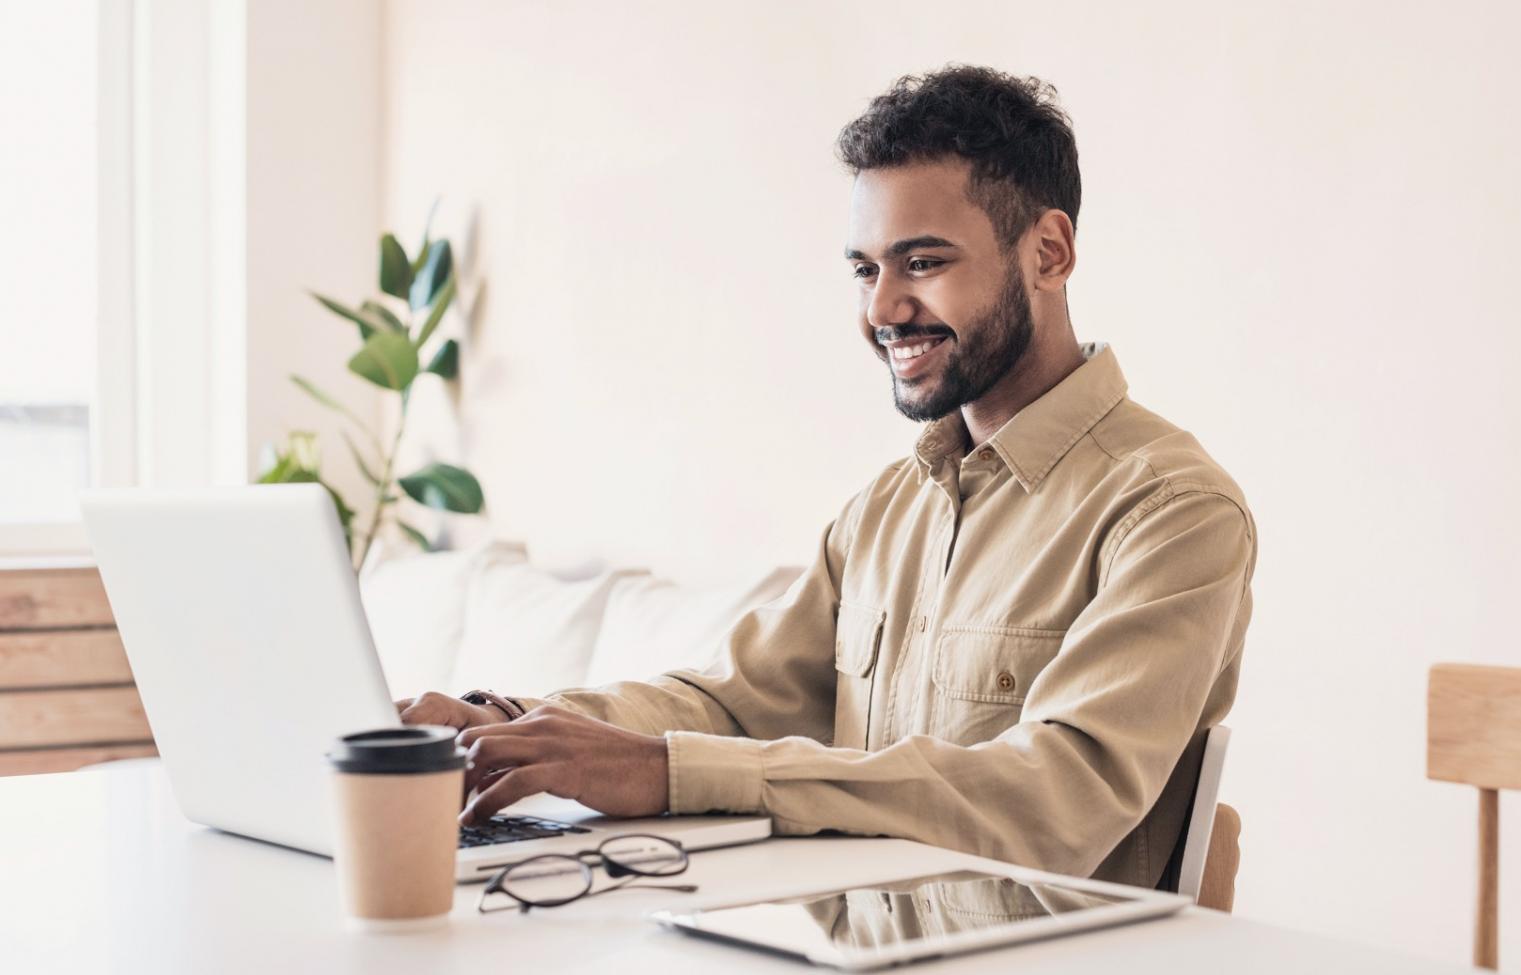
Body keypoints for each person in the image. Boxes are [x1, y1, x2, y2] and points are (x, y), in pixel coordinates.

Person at [397, 64, 1256, 890]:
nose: (881, 309)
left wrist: (669, 772)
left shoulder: (1172, 511)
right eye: (864, 269)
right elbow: (736, 703)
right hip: (836, 947)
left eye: (922, 263)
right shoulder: (887, 508)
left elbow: (1053, 798)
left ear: (1049, 251)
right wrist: (516, 726)